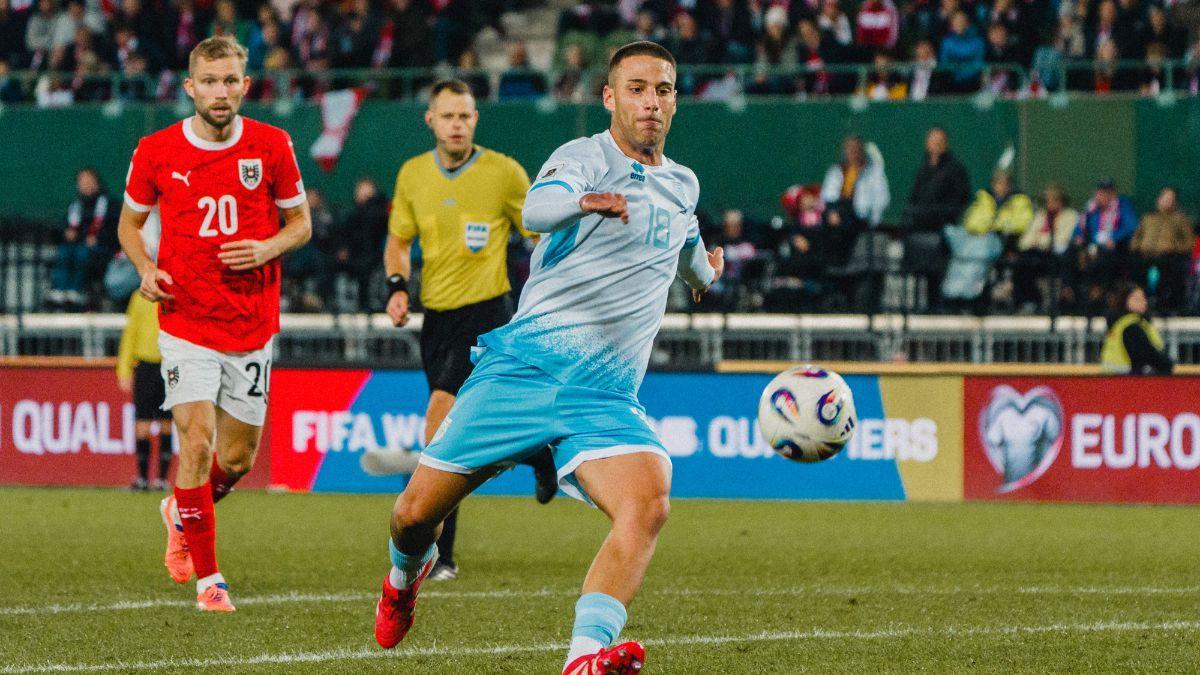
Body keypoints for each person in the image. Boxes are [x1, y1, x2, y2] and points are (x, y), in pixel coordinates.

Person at [372, 42, 724, 675]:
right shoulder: (581, 158)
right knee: (411, 515)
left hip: (605, 398)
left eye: (663, 90)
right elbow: (537, 210)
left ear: (675, 99)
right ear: (610, 97)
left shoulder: (681, 183)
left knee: (649, 503)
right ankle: (404, 575)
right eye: (637, 89)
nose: (651, 102)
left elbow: (688, 243)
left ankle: (583, 658)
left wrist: (704, 273)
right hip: (522, 374)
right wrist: (583, 203)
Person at [117, 35, 312, 612]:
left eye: (231, 81)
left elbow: (300, 224)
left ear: (245, 86)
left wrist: (266, 247)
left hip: (251, 324)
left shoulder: (272, 145)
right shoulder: (155, 151)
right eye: (210, 82)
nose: (221, 92)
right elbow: (130, 226)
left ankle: (181, 509)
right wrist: (145, 267)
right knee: (195, 444)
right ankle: (210, 581)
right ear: (190, 88)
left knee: (237, 460)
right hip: (185, 319)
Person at [380, 78, 560, 582]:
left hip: (487, 316)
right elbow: (398, 241)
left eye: (466, 116)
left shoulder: (504, 173)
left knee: (440, 423)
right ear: (430, 120)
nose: (457, 124)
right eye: (448, 116)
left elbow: (540, 235)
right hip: (436, 319)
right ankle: (537, 455)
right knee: (469, 431)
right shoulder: (413, 175)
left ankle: (440, 556)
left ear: (475, 119)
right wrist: (397, 285)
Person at [117, 291, 175, 491]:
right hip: (144, 366)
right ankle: (142, 478)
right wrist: (124, 368)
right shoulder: (139, 296)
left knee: (167, 423)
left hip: (170, 364)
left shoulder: (174, 294)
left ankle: (161, 480)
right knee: (142, 424)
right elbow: (130, 332)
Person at [1131, 186, 1194, 314]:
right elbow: (1135, 239)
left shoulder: (1180, 220)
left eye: (1170, 199)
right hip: (1145, 257)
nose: (1166, 201)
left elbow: (1189, 243)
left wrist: (1173, 248)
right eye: (1164, 198)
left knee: (1168, 271)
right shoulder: (1148, 219)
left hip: (1168, 258)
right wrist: (1140, 247)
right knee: (1133, 268)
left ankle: (1163, 305)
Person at [1101, 283, 1173, 374]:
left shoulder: (1121, 323)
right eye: (1136, 299)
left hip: (1114, 379)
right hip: (1126, 380)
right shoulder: (1131, 327)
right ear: (1125, 301)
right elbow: (1150, 355)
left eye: (1143, 298)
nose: (1142, 302)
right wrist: (1168, 364)